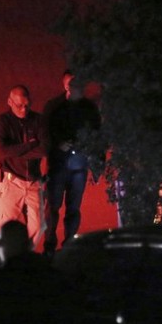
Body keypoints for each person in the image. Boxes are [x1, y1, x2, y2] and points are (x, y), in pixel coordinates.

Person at [42, 71, 103, 256]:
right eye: (74, 86)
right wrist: (56, 145)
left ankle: (68, 244)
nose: (78, 90)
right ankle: (50, 244)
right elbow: (45, 132)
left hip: (78, 164)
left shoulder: (89, 108)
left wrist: (98, 164)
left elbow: (97, 134)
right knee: (53, 206)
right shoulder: (55, 107)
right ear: (66, 87)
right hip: (59, 163)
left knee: (73, 208)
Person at [0, 85, 49, 250]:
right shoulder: (2, 121)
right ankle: (6, 261)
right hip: (11, 181)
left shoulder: (38, 120)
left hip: (33, 181)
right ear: (9, 102)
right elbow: (2, 151)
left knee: (39, 226)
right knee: (6, 227)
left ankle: (23, 255)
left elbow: (44, 149)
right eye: (19, 105)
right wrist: (30, 145)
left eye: (27, 105)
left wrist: (16, 151)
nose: (24, 109)